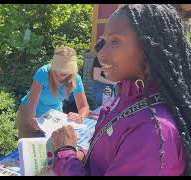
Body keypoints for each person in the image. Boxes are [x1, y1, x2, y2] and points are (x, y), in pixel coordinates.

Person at [51, 4, 190, 176]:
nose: (101, 53)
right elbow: (106, 157)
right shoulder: (127, 98)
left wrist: (65, 153)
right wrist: (80, 156)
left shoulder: (153, 134)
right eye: (104, 41)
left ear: (149, 50)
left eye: (115, 42)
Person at [15, 46, 90, 139]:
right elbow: (32, 102)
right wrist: (32, 120)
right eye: (60, 68)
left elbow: (84, 107)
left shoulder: (76, 79)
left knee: (54, 148)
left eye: (66, 68)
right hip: (30, 112)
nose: (62, 72)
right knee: (29, 148)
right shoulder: (43, 72)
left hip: (54, 116)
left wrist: (80, 117)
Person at [92, 38, 117, 108]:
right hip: (103, 85)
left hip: (118, 85)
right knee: (102, 106)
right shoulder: (98, 58)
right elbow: (96, 76)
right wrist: (112, 82)